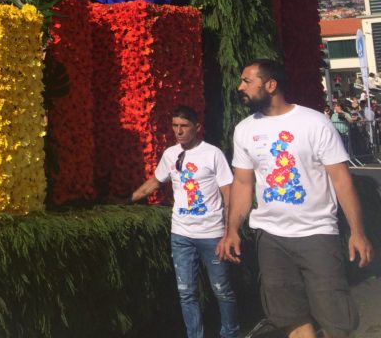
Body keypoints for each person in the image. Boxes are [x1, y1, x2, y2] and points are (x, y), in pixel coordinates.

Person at [218, 59, 372, 338]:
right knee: (290, 316)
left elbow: (341, 179)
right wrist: (232, 230)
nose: (240, 86)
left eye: (247, 81)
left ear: (271, 85)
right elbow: (242, 183)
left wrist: (357, 232)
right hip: (271, 237)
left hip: (317, 233)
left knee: (337, 321)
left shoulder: (314, 122)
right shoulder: (244, 130)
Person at [130, 105, 239, 338]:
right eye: (175, 126)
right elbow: (155, 182)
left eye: (184, 126)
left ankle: (230, 333)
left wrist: (229, 231)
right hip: (181, 235)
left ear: (197, 128)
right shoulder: (170, 154)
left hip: (212, 235)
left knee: (221, 291)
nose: (178, 131)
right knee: (186, 293)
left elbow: (228, 193)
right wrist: (128, 198)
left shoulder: (213, 154)